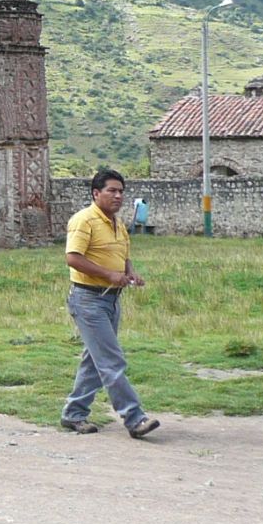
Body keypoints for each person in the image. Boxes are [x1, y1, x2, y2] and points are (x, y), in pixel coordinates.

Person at [60, 167, 159, 439]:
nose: (118, 196)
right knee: (111, 361)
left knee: (95, 360)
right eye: (111, 191)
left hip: (111, 300)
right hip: (88, 299)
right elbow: (73, 257)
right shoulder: (84, 221)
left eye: (121, 191)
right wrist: (108, 275)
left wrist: (129, 273)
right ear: (95, 193)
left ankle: (73, 414)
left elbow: (122, 256)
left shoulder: (117, 224)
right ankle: (135, 418)